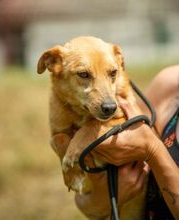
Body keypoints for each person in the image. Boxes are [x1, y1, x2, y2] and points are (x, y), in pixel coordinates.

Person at [75, 65, 179, 219]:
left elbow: (147, 143)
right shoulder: (168, 83)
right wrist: (105, 196)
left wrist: (152, 151)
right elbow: (86, 206)